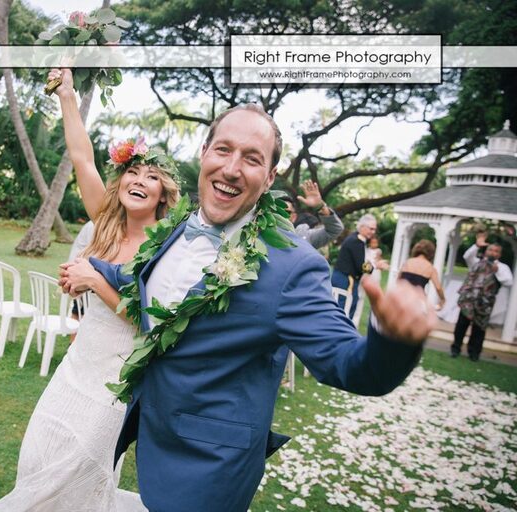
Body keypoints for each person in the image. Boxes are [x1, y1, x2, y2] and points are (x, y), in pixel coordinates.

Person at [61, 103, 436, 512]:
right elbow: (150, 288)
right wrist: (97, 269)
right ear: (204, 153)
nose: (232, 168)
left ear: (270, 176)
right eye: (223, 150)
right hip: (148, 431)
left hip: (209, 469)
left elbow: (347, 363)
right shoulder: (178, 225)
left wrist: (392, 342)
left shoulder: (292, 265)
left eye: (252, 158)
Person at [0, 68, 180, 511]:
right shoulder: (106, 225)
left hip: (115, 383)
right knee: (38, 455)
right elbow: (82, 157)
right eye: (133, 172)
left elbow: (154, 324)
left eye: (151, 177)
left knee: (79, 470)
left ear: (162, 196)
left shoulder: (167, 248)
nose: (138, 180)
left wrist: (95, 281)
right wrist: (68, 94)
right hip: (75, 368)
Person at [451, 232, 513, 362]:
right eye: (491, 249)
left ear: (499, 255)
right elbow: (467, 256)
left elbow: (509, 282)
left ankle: (474, 353)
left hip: (485, 304)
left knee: (479, 330)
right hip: (468, 301)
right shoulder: (476, 261)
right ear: (486, 251)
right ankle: (455, 349)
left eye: (496, 251)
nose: (493, 253)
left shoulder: (502, 267)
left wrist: (498, 272)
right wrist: (476, 245)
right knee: (461, 326)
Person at [331, 214, 379, 319]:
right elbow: (361, 266)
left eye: (374, 229)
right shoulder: (356, 241)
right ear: (362, 226)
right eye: (371, 229)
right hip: (346, 280)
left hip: (344, 278)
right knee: (344, 311)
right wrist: (375, 266)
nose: (373, 232)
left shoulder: (356, 239)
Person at [281, 179, 343, 249]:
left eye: (287, 212)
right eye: (276, 211)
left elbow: (334, 230)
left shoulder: (304, 235)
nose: (280, 215)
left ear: (294, 217)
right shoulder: (265, 236)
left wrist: (320, 206)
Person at [399, 239, 445, 307]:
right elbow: (438, 288)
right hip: (417, 301)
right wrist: (443, 299)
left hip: (401, 298)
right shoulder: (430, 268)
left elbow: (398, 281)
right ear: (431, 253)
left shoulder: (407, 262)